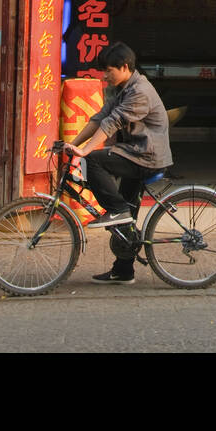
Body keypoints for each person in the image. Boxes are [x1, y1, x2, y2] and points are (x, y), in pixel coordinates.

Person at [55, 42, 172, 284]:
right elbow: (99, 118)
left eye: (109, 71)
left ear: (125, 67)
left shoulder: (140, 91)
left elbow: (113, 122)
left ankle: (117, 211)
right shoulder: (123, 89)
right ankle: (123, 270)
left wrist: (85, 151)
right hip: (134, 153)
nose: (105, 76)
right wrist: (72, 145)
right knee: (125, 223)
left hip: (147, 157)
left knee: (94, 161)